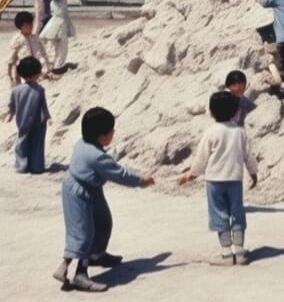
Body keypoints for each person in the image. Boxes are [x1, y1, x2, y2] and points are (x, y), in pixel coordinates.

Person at [54, 107, 154, 291]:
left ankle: (96, 255)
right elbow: (120, 174)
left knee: (103, 222)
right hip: (80, 193)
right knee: (84, 233)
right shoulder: (97, 157)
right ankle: (79, 275)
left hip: (87, 189)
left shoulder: (82, 143)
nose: (113, 133)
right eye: (111, 131)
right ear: (102, 135)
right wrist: (141, 181)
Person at [178, 91, 259, 266]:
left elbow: (201, 158)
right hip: (235, 180)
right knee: (237, 213)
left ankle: (226, 255)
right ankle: (240, 252)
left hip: (214, 181)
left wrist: (190, 175)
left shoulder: (210, 132)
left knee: (219, 214)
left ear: (212, 112)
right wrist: (253, 173)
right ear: (235, 111)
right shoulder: (240, 132)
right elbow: (249, 156)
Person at [6, 56, 50, 174]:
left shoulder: (16, 90)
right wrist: (48, 117)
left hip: (22, 120)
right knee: (37, 142)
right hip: (38, 121)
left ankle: (22, 166)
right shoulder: (40, 89)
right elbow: (43, 105)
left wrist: (10, 114)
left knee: (22, 141)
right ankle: (37, 166)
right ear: (37, 73)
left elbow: (11, 104)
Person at [39, 0, 76, 73]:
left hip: (52, 24)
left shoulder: (52, 1)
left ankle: (51, 65)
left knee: (53, 46)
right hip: (61, 25)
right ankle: (58, 66)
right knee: (62, 48)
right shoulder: (63, 0)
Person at [7, 10, 52, 83]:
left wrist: (47, 64)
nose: (30, 26)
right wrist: (10, 75)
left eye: (31, 24)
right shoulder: (17, 39)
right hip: (24, 68)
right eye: (27, 25)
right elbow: (11, 59)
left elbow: (42, 53)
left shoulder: (34, 38)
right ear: (20, 27)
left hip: (37, 67)